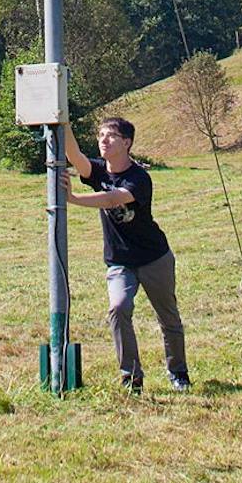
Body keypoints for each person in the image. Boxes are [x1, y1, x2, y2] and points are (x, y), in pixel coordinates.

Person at [63, 116, 189, 392]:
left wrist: (72, 199)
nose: (103, 140)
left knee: (168, 318)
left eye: (110, 136)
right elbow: (75, 156)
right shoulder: (98, 172)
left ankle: (178, 372)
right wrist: (64, 123)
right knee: (118, 309)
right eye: (100, 135)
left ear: (127, 143)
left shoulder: (138, 178)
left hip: (154, 257)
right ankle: (132, 378)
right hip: (120, 261)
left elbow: (111, 199)